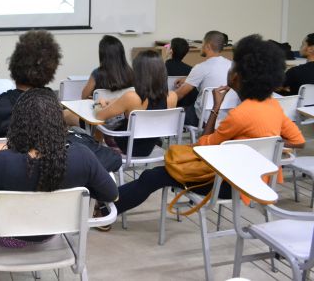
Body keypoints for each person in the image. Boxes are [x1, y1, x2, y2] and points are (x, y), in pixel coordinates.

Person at [114, 35, 305, 216]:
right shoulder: (272, 105)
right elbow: (298, 141)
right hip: (258, 180)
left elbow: (203, 147)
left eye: (233, 66)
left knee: (152, 176)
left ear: (237, 77)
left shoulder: (240, 114)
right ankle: (107, 205)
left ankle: (107, 209)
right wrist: (267, 146)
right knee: (156, 174)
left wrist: (215, 109)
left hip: (228, 183)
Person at [0, 88, 118, 247]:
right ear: (59, 122)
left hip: (4, 235)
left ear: (18, 123)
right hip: (53, 231)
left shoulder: (3, 162)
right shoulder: (83, 156)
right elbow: (111, 194)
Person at [93, 50, 178, 157]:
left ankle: (96, 156)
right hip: (149, 148)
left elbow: (99, 116)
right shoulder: (172, 97)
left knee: (97, 125)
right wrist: (116, 101)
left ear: (139, 73)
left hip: (124, 146)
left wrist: (99, 104)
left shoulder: (132, 97)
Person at [174, 31, 231, 126]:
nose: (201, 47)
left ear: (208, 46)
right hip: (228, 118)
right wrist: (188, 78)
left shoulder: (201, 67)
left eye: (202, 43)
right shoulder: (232, 66)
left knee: (176, 113)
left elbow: (179, 94)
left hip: (204, 118)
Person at [80, 35, 134, 99]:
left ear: (102, 55)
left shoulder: (97, 73)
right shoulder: (131, 73)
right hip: (125, 105)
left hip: (101, 105)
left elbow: (84, 96)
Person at [165, 38, 198, 108]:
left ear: (171, 51)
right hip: (185, 108)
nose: (166, 47)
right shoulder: (192, 70)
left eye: (168, 46)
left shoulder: (160, 69)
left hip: (166, 106)